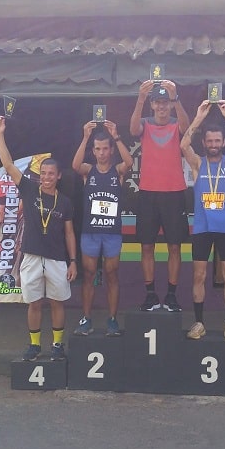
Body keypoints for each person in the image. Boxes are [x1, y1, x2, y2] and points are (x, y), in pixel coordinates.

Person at [0, 116, 77, 361]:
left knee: (57, 302)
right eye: (43, 173)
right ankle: (34, 345)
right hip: (30, 255)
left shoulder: (65, 202)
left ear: (59, 176)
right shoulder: (29, 189)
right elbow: (8, 165)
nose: (46, 177)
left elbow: (69, 232)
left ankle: (58, 345)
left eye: (51, 173)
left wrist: (73, 261)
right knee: (34, 303)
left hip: (56, 258)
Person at [180, 99, 225, 341]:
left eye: (217, 141)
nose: (214, 144)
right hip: (202, 229)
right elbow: (183, 144)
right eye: (210, 141)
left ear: (223, 142)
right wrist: (198, 117)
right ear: (205, 143)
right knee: (199, 276)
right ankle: (199, 322)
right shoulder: (198, 164)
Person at [129, 79, 191, 312]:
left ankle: (172, 295)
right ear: (153, 105)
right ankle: (151, 294)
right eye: (158, 102)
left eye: (166, 102)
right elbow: (133, 130)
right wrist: (141, 97)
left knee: (174, 246)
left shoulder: (176, 124)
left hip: (174, 193)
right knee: (147, 246)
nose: (163, 106)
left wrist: (176, 97)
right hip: (148, 194)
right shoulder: (145, 123)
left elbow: (187, 129)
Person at [71, 120, 133, 337]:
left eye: (105, 148)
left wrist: (116, 135)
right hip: (91, 232)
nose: (102, 153)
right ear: (93, 151)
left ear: (111, 150)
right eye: (97, 149)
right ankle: (86, 318)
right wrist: (85, 137)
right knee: (88, 275)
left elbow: (130, 162)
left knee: (112, 274)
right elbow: (75, 166)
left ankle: (112, 319)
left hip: (112, 233)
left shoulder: (118, 171)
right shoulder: (89, 170)